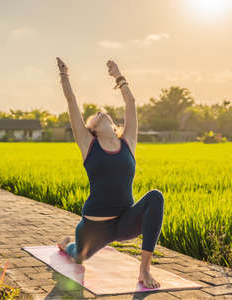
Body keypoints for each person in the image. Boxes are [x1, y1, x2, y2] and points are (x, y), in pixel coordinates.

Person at [55, 57, 164, 289]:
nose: (101, 112)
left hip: (124, 223)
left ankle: (144, 269)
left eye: (104, 113)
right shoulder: (88, 145)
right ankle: (67, 244)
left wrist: (118, 76)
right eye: (96, 116)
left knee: (155, 196)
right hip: (94, 228)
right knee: (78, 257)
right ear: (92, 129)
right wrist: (64, 76)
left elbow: (131, 103)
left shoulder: (128, 143)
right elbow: (72, 103)